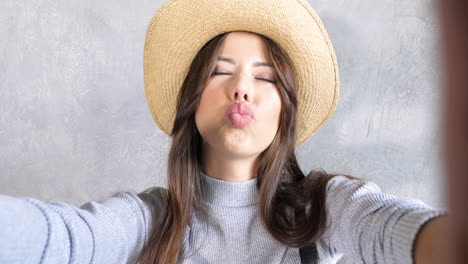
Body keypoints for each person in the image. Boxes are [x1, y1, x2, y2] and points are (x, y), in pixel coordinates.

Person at [0, 0, 448, 263]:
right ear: (193, 97)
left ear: (285, 110)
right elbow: (64, 237)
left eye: (265, 77)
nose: (241, 91)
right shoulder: (149, 220)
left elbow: (391, 227)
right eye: (220, 72)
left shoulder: (325, 208)